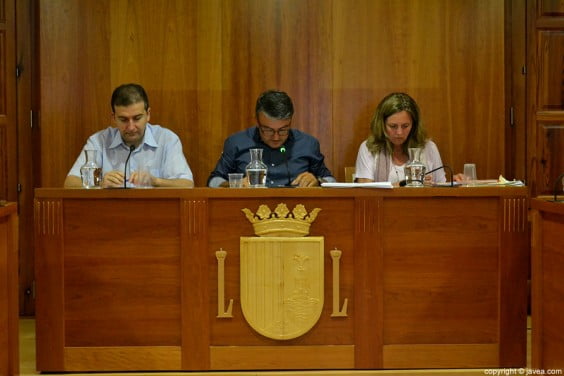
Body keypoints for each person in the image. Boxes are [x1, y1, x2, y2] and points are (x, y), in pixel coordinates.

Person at [64, 83, 194, 188]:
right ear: (113, 118)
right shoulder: (99, 141)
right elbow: (70, 183)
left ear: (148, 114)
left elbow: (187, 185)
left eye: (137, 118)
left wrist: (155, 181)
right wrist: (99, 183)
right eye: (123, 120)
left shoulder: (167, 139)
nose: (131, 127)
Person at [207, 90, 335, 187]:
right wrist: (235, 184)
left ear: (291, 121)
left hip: (297, 215)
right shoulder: (236, 142)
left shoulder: (308, 144)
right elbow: (213, 181)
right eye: (268, 130)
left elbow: (331, 181)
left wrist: (317, 181)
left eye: (283, 129)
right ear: (257, 122)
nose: (276, 137)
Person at [355, 92, 448, 185]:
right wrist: (408, 184)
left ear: (414, 125)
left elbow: (442, 189)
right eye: (393, 126)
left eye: (405, 126)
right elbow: (366, 193)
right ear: (382, 125)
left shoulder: (429, 148)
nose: (399, 132)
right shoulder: (369, 148)